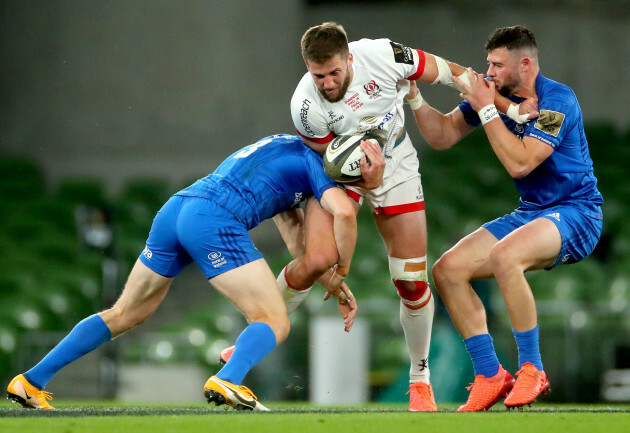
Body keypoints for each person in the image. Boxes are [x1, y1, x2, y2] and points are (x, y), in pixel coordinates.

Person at [6, 133, 382, 411]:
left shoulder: (281, 145)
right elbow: (344, 213)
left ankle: (30, 381)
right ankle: (229, 381)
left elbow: (295, 241)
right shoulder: (317, 168)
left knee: (126, 313)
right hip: (215, 219)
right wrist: (344, 267)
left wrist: (327, 278)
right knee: (275, 320)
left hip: (178, 207)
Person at [287, 21, 535, 412]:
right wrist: (359, 183)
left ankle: (420, 381)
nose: (328, 83)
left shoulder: (384, 55)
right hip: (340, 174)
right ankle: (257, 330)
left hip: (396, 165)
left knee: (410, 282)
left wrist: (511, 108)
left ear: (349, 58)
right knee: (315, 259)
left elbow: (455, 74)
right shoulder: (304, 107)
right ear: (307, 69)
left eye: (335, 72)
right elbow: (327, 162)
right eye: (319, 76)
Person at [406, 25, 603, 411]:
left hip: (577, 211)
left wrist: (484, 106)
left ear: (525, 63)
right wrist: (415, 98)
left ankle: (532, 369)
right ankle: (490, 373)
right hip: (531, 214)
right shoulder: (500, 98)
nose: (489, 72)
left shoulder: (557, 101)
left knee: (504, 257)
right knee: (447, 270)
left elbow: (521, 163)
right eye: (488, 63)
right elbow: (443, 136)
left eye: (497, 64)